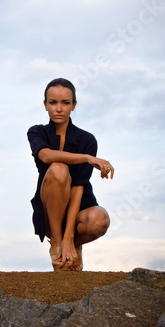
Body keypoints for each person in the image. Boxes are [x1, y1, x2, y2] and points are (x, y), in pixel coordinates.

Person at [27, 78, 114, 271]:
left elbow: (78, 187)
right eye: (53, 102)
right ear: (45, 105)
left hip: (79, 211)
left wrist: (70, 237)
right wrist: (86, 158)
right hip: (50, 212)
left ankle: (71, 245)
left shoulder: (87, 139)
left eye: (65, 103)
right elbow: (46, 156)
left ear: (74, 105)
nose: (59, 108)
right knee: (59, 168)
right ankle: (56, 245)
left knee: (101, 219)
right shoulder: (36, 132)